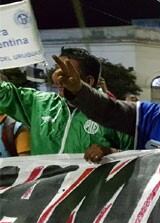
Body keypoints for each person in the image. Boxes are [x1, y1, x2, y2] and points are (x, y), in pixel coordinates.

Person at [0, 47, 133, 155]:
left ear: (88, 81)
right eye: (56, 71)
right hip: (44, 188)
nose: (58, 79)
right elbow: (3, 93)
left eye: (66, 73)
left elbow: (139, 158)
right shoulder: (39, 104)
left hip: (90, 188)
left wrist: (111, 152)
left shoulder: (115, 114)